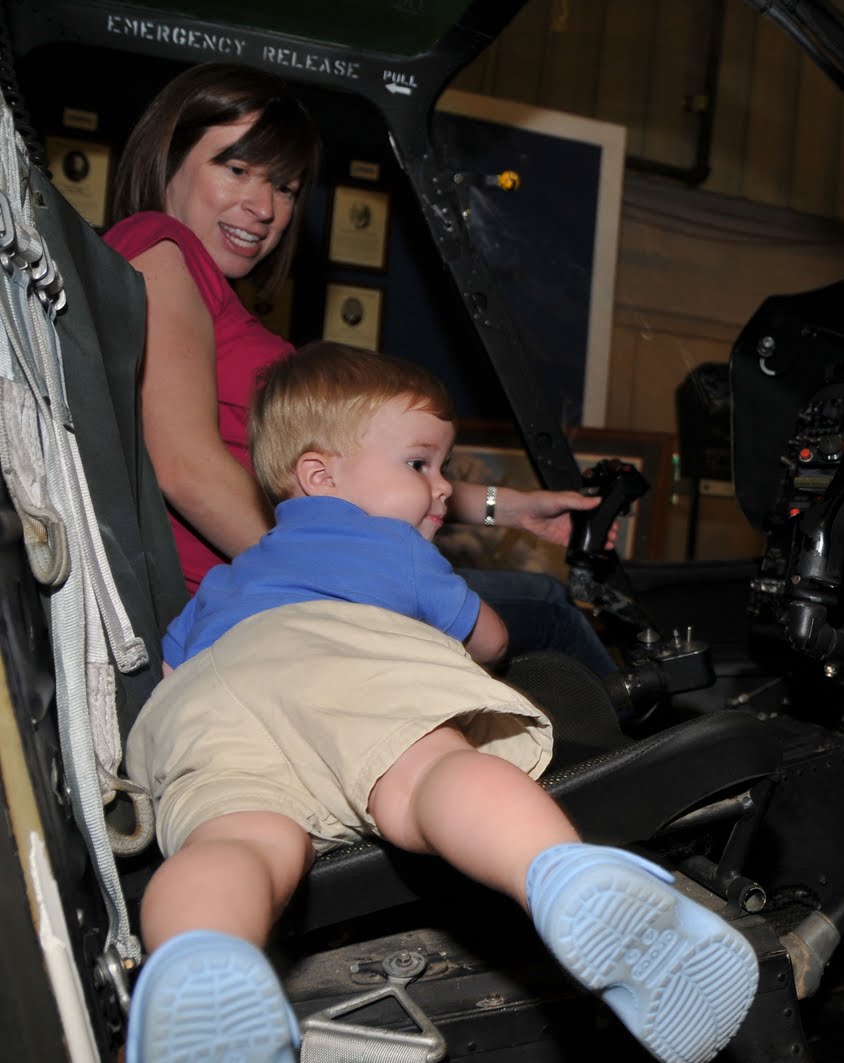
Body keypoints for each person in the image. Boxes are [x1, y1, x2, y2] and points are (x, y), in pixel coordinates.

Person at [123, 342, 757, 1063]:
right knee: (428, 773)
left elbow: (172, 664)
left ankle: (202, 955)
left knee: (238, 842)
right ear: (320, 476)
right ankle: (561, 874)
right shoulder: (389, 546)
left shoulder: (235, 573)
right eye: (419, 464)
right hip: (338, 658)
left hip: (206, 698)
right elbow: (491, 639)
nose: (441, 488)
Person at [103, 60, 615, 676]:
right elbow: (183, 467)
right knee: (550, 613)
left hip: (278, 581)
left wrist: (506, 507)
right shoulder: (160, 244)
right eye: (236, 169)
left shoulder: (213, 297)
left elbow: (361, 477)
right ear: (169, 157)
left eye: (286, 187)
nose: (263, 207)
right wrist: (341, 581)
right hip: (254, 598)